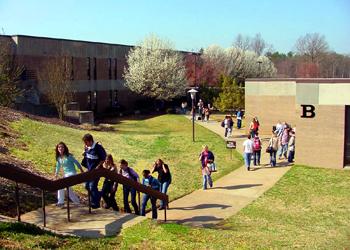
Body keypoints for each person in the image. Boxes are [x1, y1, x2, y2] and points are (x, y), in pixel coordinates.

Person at [81, 133, 107, 209]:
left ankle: (95, 203)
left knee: (92, 186)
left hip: (96, 171)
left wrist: (98, 167)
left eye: (86, 142)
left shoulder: (98, 147)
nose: (85, 144)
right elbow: (87, 156)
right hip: (89, 170)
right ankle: (98, 195)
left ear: (90, 141)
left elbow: (103, 158)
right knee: (86, 186)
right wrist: (84, 153)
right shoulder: (87, 147)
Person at [54, 142, 84, 207]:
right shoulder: (58, 158)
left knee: (62, 183)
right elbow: (58, 167)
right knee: (68, 190)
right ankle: (76, 201)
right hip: (66, 175)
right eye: (59, 147)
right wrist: (56, 174)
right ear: (57, 149)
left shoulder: (69, 156)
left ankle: (61, 202)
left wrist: (81, 170)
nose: (60, 148)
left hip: (72, 173)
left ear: (65, 148)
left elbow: (77, 163)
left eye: (62, 147)